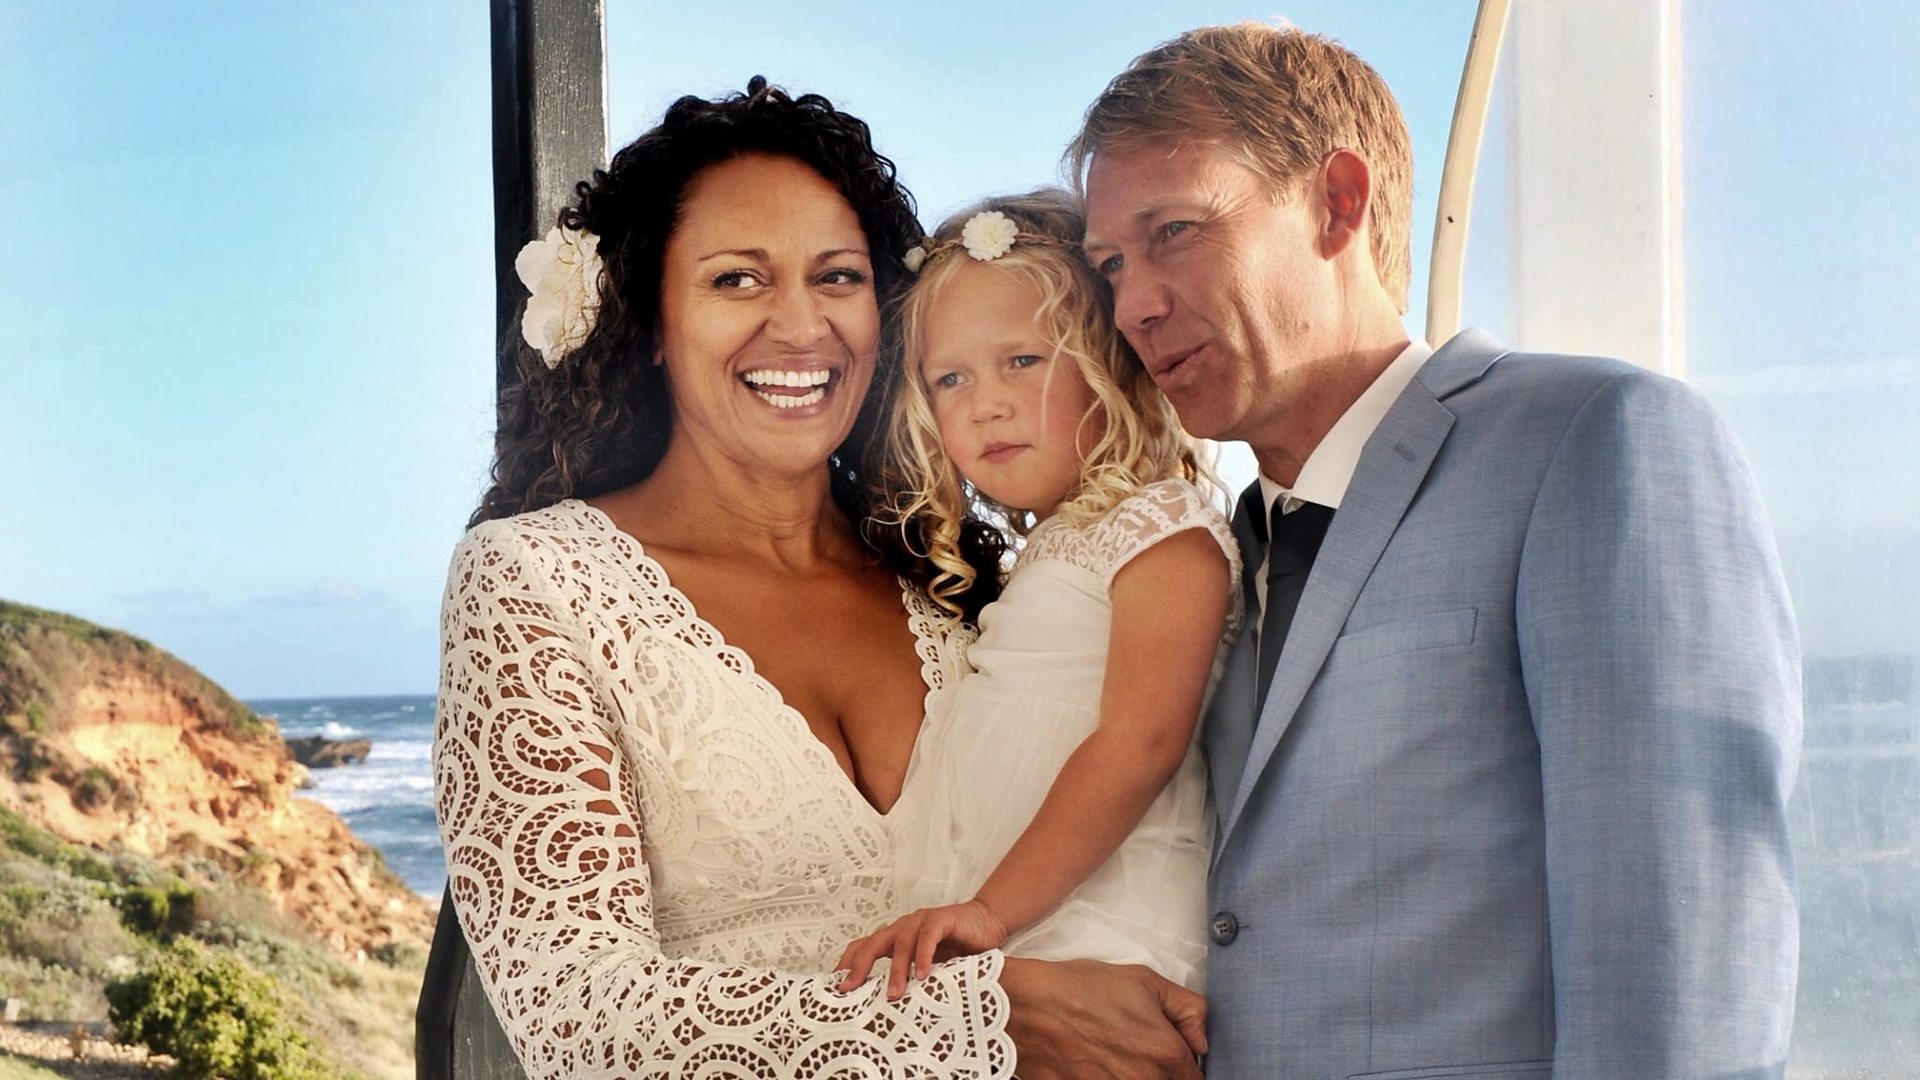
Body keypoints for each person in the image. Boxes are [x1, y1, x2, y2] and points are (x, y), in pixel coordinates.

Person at [1066, 22, 1803, 1079]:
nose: (1134, 305)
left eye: (1174, 230)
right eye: (1109, 265)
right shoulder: (1195, 554)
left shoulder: (1595, 439)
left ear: (1339, 203)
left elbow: (1684, 956)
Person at [434, 78, 1204, 1079]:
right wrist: (991, 1020)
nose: (801, 327)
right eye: (736, 280)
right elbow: (575, 1013)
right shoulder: (537, 582)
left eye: (837, 277)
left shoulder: (958, 585)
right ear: (650, 321)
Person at [832, 191, 1236, 999]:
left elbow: (1142, 741)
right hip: (1028, 913)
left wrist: (991, 909)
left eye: (1023, 360)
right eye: (951, 378)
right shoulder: (1055, 547)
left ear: (1109, 362)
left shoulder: (1160, 529)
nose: (986, 403)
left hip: (1109, 921)